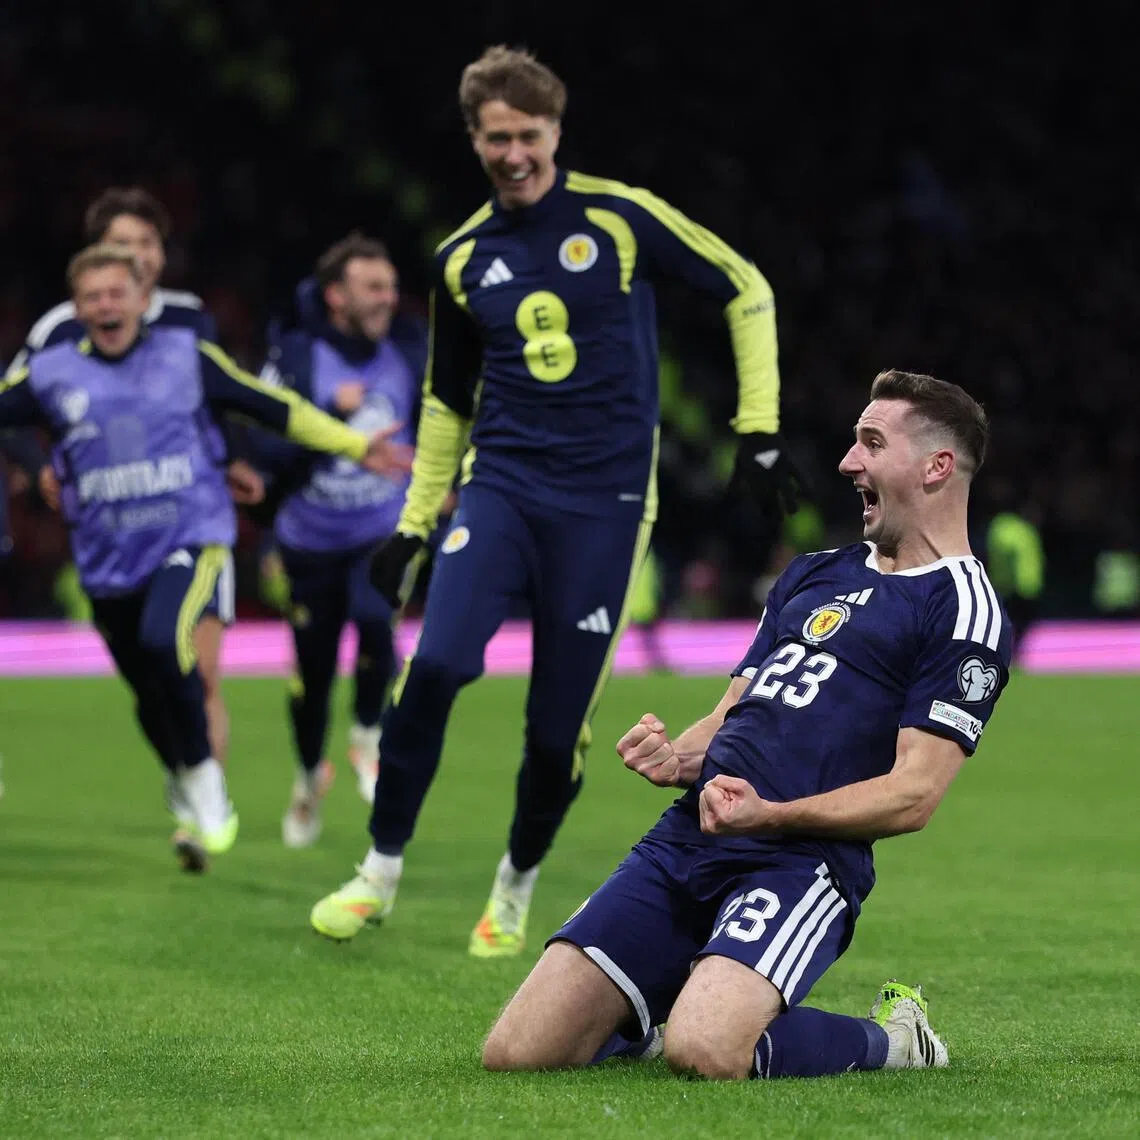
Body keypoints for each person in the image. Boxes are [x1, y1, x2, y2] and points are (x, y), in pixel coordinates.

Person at [310, 44, 805, 956]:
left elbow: (746, 286)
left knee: (553, 731)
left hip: (605, 506)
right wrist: (416, 525)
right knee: (437, 669)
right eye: (495, 138)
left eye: (528, 136)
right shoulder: (463, 257)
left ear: (555, 131)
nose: (512, 154)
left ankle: (515, 886)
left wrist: (760, 429)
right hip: (501, 488)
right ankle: (378, 873)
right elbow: (446, 403)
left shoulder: (619, 218)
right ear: (474, 138)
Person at [480, 369, 1011, 1080]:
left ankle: (895, 1042)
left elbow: (914, 794)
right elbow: (733, 713)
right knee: (518, 1053)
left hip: (801, 861)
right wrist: (678, 754)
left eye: (871, 443)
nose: (849, 461)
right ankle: (659, 1004)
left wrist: (773, 815)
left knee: (703, 1051)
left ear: (936, 466)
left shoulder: (962, 609)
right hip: (690, 838)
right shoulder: (813, 574)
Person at [0, 244, 411, 871]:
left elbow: (273, 408)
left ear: (143, 300)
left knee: (169, 640)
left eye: (118, 293)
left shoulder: (185, 357)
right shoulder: (53, 372)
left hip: (190, 536)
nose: (106, 306)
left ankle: (206, 777)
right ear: (75, 307)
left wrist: (354, 444)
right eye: (92, 297)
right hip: (108, 558)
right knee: (145, 688)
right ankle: (185, 770)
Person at [5, 186, 263, 770]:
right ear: (96, 254)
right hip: (114, 521)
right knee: (151, 674)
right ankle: (186, 773)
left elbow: (224, 394)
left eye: (148, 243)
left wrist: (240, 458)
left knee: (201, 672)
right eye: (123, 243)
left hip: (191, 516)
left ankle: (204, 805)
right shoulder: (58, 329)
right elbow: (13, 409)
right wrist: (38, 465)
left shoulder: (188, 315)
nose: (139, 255)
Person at [248, 233, 424, 846]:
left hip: (382, 528)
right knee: (314, 673)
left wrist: (448, 480)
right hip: (308, 540)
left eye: (391, 286)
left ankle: (368, 737)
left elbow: (442, 421)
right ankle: (306, 777)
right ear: (335, 296)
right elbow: (259, 442)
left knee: (378, 621)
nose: (388, 298)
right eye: (372, 287)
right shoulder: (297, 356)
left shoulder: (410, 347)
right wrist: (329, 412)